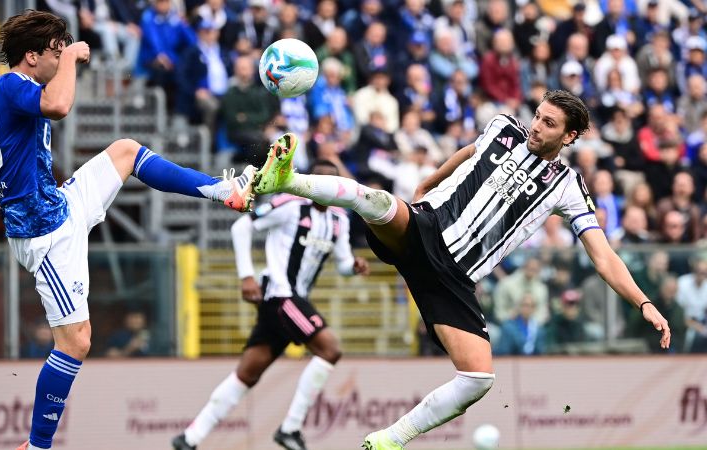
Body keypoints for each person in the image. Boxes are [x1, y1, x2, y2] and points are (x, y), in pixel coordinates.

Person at [251, 90, 671, 449]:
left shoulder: (567, 187)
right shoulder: (504, 128)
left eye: (548, 123)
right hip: (426, 230)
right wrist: (427, 184)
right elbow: (472, 150)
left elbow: (604, 257)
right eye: (538, 116)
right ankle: (286, 180)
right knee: (376, 201)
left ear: (570, 135)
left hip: (455, 278)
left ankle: (390, 438)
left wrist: (644, 302)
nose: (536, 127)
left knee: (478, 378)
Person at [0, 11, 255, 450]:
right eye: (53, 51)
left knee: (125, 151)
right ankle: (38, 445)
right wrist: (70, 57)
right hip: (46, 232)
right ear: (32, 57)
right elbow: (60, 106)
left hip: (56, 204)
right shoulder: (13, 85)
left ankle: (225, 191)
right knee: (76, 341)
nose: (61, 57)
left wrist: (26, 190)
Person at [172, 160, 370, 450]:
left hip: (294, 298)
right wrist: (246, 276)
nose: (326, 189)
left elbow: (342, 262)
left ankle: (189, 438)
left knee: (249, 371)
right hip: (279, 294)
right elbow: (242, 226)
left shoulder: (339, 219)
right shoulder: (289, 204)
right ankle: (290, 428)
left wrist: (353, 266)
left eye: (332, 183)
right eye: (321, 181)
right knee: (330, 349)